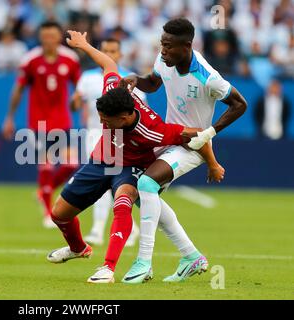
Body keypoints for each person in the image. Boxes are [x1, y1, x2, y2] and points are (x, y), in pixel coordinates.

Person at [47, 30, 222, 284]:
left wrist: (213, 163)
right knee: (59, 214)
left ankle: (108, 268)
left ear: (125, 117)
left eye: (106, 120)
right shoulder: (113, 91)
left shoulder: (154, 129)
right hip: (102, 159)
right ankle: (78, 249)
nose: (101, 121)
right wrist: (84, 44)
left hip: (131, 167)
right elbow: (109, 63)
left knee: (123, 201)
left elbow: (197, 134)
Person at [120, 18, 247, 283]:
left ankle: (143, 262)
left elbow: (239, 104)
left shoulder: (208, 77)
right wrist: (136, 79)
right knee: (143, 194)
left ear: (187, 46)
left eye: (168, 46)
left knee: (146, 183)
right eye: (161, 44)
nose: (163, 51)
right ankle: (191, 256)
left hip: (192, 148)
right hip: (168, 139)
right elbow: (153, 83)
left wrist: (208, 134)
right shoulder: (164, 60)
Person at [2, 21, 81, 228]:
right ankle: (48, 212)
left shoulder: (70, 59)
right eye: (44, 36)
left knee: (70, 165)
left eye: (52, 36)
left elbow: (79, 88)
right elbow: (18, 90)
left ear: (58, 37)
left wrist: (78, 102)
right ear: (40, 37)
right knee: (46, 166)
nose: (48, 40)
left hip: (63, 120)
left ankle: (43, 192)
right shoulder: (31, 60)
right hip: (39, 122)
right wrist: (10, 117)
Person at [70, 37, 144, 247]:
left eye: (113, 51)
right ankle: (130, 228)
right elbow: (75, 104)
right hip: (94, 133)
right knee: (106, 181)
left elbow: (138, 111)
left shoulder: (129, 78)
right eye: (105, 50)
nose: (109, 55)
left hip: (120, 137)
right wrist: (74, 102)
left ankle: (97, 228)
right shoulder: (87, 77)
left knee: (112, 181)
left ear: (120, 54)